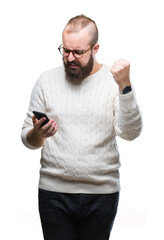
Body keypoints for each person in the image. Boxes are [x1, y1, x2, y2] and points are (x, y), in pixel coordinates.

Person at [21, 15, 142, 240]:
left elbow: (131, 133)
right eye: (65, 50)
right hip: (54, 193)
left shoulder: (113, 80)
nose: (70, 58)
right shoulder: (46, 81)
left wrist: (124, 85)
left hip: (102, 194)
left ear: (95, 48)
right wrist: (37, 134)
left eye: (78, 52)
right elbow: (27, 140)